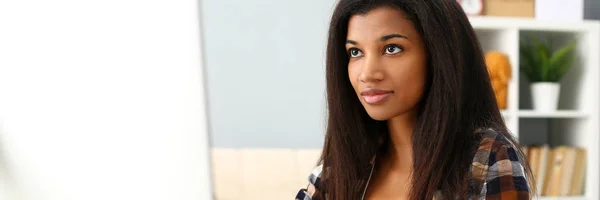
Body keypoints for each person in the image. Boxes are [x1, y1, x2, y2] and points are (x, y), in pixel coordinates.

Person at [295, 0, 534, 199]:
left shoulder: (486, 159)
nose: (367, 73)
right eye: (355, 52)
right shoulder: (334, 176)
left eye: (392, 48)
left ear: (438, 54)